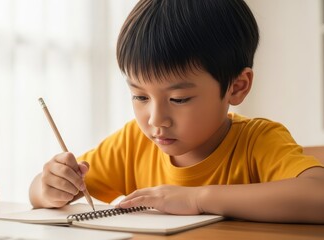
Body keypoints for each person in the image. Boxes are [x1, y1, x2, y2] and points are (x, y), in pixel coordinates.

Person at [29, 0, 324, 223]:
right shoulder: (133, 143)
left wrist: (198, 198)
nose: (156, 120)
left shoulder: (258, 141)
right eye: (139, 96)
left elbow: (318, 196)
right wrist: (49, 187)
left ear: (237, 87)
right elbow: (40, 194)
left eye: (179, 99)